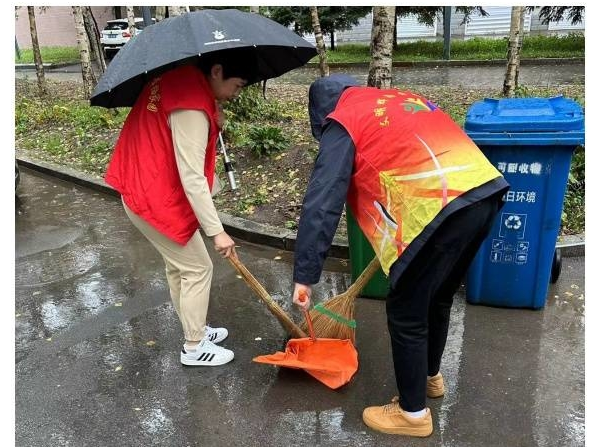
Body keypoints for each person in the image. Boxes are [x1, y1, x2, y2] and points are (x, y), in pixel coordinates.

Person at [292, 74, 509, 437]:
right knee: (437, 297)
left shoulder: (344, 120)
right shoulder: (395, 98)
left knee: (405, 310)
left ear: (322, 112)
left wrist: (305, 274)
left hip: (441, 207)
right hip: (484, 192)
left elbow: (323, 201)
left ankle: (412, 415)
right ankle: (429, 378)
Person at [105, 54, 256, 367]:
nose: (235, 94)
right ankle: (194, 346)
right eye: (237, 86)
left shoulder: (181, 81)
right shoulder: (190, 104)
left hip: (145, 186)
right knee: (198, 268)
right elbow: (192, 177)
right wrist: (218, 232)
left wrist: (214, 116)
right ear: (216, 70)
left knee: (179, 268)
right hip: (153, 196)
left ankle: (195, 328)